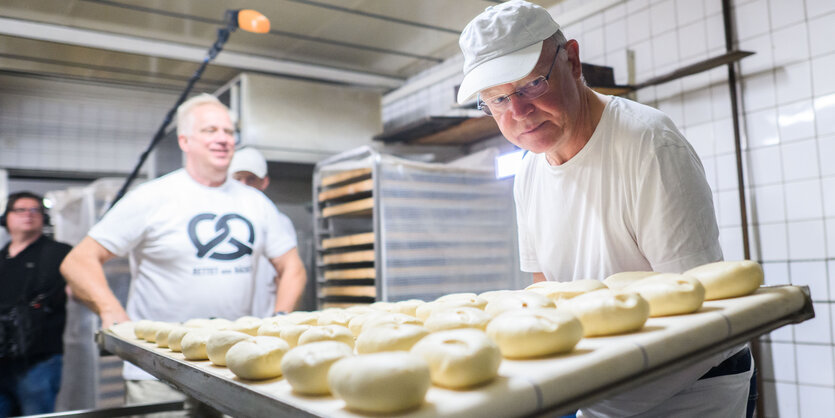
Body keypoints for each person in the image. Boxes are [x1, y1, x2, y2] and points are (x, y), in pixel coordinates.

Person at [457, 1, 754, 417]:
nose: (519, 113)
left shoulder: (647, 143)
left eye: (531, 85)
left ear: (573, 61)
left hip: (691, 391)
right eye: (498, 99)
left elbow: (689, 304)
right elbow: (547, 297)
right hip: (603, 392)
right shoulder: (528, 173)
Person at [59, 93, 307, 416]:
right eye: (210, 131)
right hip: (160, 371)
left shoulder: (256, 203)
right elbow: (78, 261)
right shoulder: (153, 197)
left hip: (234, 367)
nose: (222, 139)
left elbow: (292, 267)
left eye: (228, 132)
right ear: (184, 140)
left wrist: (280, 320)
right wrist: (111, 310)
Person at [0, 192, 72, 416]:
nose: (28, 215)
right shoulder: (2, 257)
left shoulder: (60, 253)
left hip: (39, 360)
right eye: (20, 210)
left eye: (35, 210)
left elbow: (77, 289)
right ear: (6, 218)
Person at [228, 146, 296, 317]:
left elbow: (288, 274)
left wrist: (280, 318)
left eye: (250, 179)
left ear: (264, 182)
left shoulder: (280, 222)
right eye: (238, 179)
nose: (244, 185)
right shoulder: (221, 222)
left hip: (265, 320)